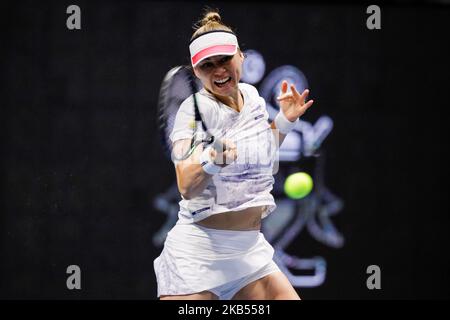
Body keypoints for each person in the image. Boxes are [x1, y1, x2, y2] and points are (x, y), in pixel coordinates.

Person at [154, 10, 313, 300]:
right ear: (196, 70)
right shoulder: (192, 111)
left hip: (249, 255)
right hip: (198, 258)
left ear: (241, 56)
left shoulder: (252, 98)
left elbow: (260, 152)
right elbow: (187, 185)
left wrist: (284, 122)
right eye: (207, 64)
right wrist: (212, 162)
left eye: (224, 59)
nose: (218, 70)